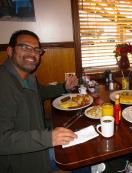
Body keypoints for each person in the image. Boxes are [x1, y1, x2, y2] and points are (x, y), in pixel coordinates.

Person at [0, 30, 84, 173]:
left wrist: (64, 86)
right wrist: (48, 138)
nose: (32, 53)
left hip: (38, 140)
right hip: (22, 161)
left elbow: (41, 92)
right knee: (79, 155)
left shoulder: (27, 77)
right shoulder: (4, 83)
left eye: (37, 49)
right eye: (25, 47)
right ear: (10, 50)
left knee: (79, 133)